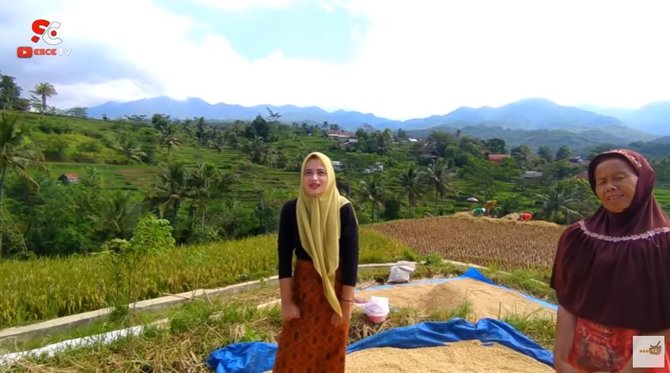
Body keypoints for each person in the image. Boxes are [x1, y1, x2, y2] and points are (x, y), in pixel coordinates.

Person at [551, 149, 670, 373]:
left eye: (619, 177)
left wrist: (630, 371)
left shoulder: (663, 246)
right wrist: (561, 361)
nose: (609, 186)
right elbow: (568, 304)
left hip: (640, 366)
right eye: (601, 181)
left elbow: (665, 325)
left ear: (643, 180)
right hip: (581, 362)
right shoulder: (578, 238)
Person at [273, 152, 359, 373]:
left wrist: (346, 306)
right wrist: (287, 302)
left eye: (321, 173)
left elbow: (351, 261)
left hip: (334, 292)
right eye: (308, 172)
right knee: (291, 352)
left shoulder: (343, 210)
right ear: (301, 178)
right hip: (303, 292)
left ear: (330, 177)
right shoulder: (291, 210)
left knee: (330, 353)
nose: (314, 178)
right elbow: (284, 258)